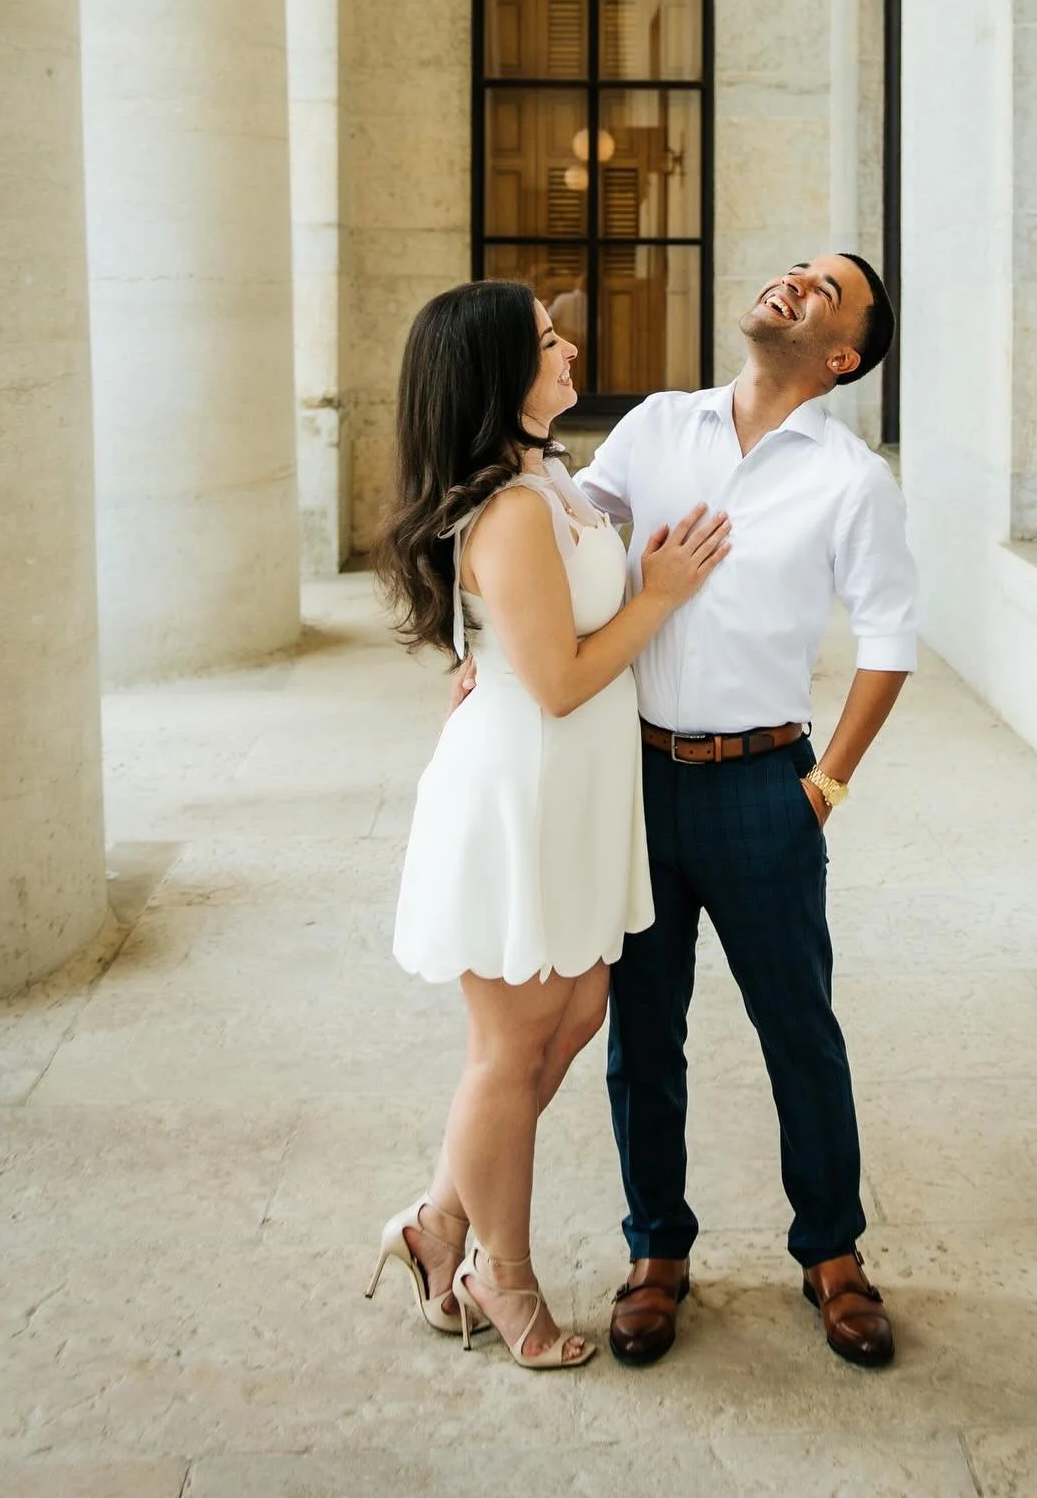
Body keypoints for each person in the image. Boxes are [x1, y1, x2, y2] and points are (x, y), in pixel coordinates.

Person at [367, 279, 730, 1371]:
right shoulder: (514, 509)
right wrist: (658, 594)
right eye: (543, 340)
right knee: (511, 1044)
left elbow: (533, 645)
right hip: (520, 792)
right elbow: (563, 679)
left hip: (572, 792)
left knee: (575, 1015)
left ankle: (437, 1223)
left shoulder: (549, 480)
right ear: (496, 375)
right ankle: (498, 1279)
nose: (568, 348)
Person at [576, 252, 917, 1369]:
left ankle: (833, 1252)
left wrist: (826, 786)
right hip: (636, 780)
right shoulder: (655, 429)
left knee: (799, 1032)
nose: (793, 281)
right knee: (643, 1037)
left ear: (842, 355)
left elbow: (888, 639)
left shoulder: (851, 479)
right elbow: (560, 543)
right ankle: (656, 1252)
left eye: (826, 288)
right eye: (796, 269)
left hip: (768, 785)